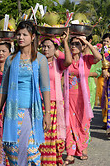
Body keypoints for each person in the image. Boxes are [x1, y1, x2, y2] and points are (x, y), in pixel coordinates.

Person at [0, 21, 51, 166]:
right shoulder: (11, 60)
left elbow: (45, 88)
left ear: (32, 37)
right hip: (12, 112)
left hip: (32, 112)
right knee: (12, 149)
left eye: (25, 34)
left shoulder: (40, 59)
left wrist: (48, 113)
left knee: (31, 151)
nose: (21, 37)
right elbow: (4, 88)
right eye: (18, 34)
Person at [63, 36, 102, 164]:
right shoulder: (66, 59)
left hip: (83, 98)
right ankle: (70, 152)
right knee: (69, 124)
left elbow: (99, 58)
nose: (74, 46)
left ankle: (82, 148)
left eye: (77, 44)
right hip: (68, 98)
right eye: (72, 44)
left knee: (83, 124)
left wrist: (87, 43)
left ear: (82, 46)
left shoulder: (86, 59)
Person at [39, 30, 72, 166]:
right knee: (41, 134)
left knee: (52, 135)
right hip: (39, 102)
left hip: (54, 103)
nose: (45, 49)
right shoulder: (37, 61)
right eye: (44, 46)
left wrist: (64, 41)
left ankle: (52, 161)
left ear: (55, 49)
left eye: (49, 47)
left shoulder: (58, 63)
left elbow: (69, 61)